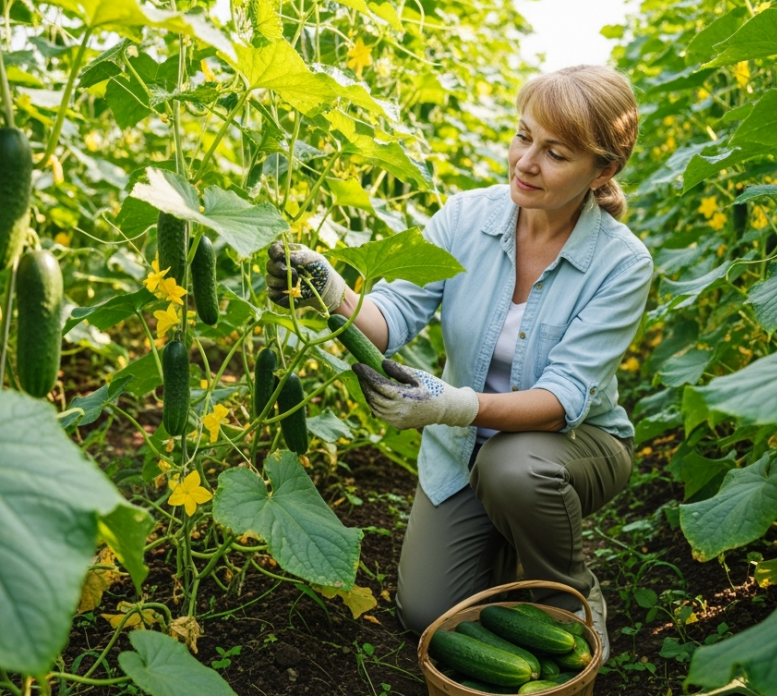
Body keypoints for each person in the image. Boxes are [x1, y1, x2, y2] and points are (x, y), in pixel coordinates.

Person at [264, 65, 651, 659]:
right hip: (462, 453)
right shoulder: (465, 218)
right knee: (428, 615)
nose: (526, 162)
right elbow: (390, 320)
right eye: (523, 137)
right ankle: (508, 539)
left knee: (513, 469)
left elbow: (561, 401)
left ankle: (569, 596)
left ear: (602, 171)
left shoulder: (622, 263)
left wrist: (451, 405)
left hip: (573, 448)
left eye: (555, 154)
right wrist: (332, 293)